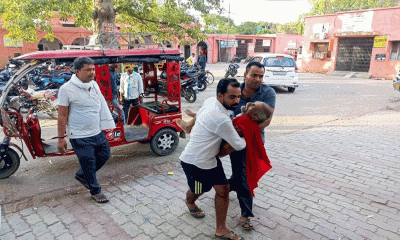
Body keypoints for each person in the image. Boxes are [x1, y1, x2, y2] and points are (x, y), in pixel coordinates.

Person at [180, 78, 246, 240]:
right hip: (194, 162)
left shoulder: (210, 101)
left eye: (238, 96)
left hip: (210, 160)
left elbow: (203, 111)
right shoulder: (221, 119)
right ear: (220, 96)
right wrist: (251, 134)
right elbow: (238, 145)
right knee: (199, 189)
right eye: (232, 97)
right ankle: (189, 202)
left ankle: (221, 229)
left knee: (223, 190)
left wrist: (193, 122)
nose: (237, 101)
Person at [57, 57, 116, 204]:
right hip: (80, 135)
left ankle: (83, 175)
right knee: (88, 163)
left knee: (105, 155)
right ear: (77, 71)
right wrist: (60, 138)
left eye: (93, 69)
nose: (92, 73)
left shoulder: (94, 84)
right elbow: (62, 115)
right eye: (87, 70)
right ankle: (96, 190)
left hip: (97, 132)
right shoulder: (66, 89)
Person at [231, 61, 276, 229]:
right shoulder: (234, 89)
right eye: (254, 75)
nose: (258, 79)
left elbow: (267, 120)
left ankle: (245, 213)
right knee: (239, 171)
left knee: (246, 175)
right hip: (234, 139)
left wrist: (247, 131)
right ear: (245, 74)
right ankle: (229, 186)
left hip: (254, 140)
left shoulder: (268, 93)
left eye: (261, 76)